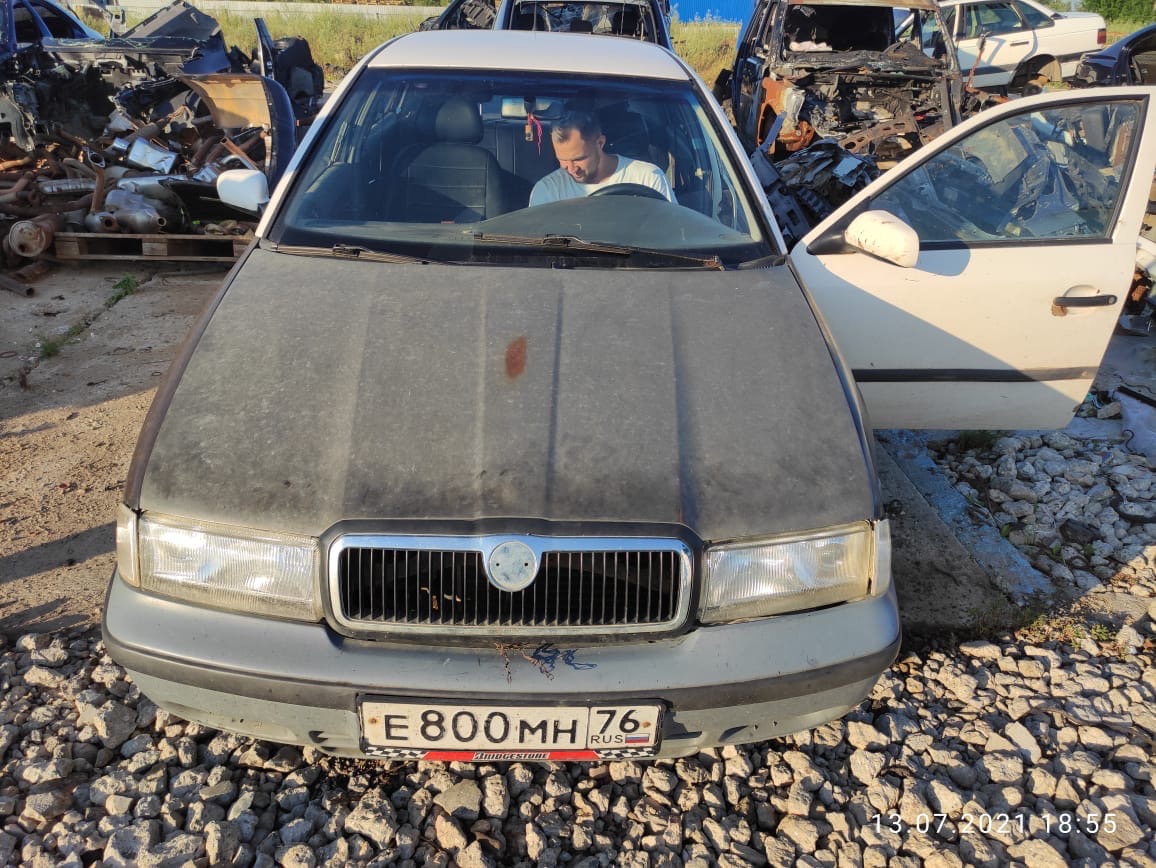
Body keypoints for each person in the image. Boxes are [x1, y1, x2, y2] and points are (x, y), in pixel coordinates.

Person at [529, 110, 674, 206]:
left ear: (600, 143)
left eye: (579, 159)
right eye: (563, 160)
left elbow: (672, 232)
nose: (572, 169)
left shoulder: (648, 178)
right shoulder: (548, 190)